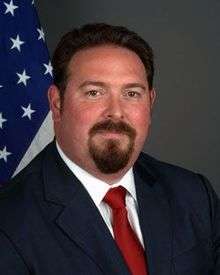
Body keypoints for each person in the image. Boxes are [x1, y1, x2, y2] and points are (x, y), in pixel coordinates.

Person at [0, 23, 219, 275]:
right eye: (94, 93)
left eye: (132, 93)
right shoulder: (9, 224)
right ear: (57, 104)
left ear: (150, 102)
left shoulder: (194, 196)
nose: (115, 112)